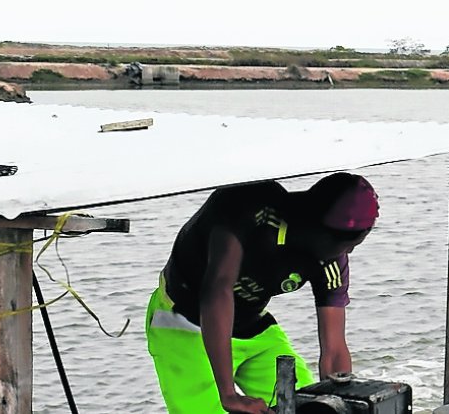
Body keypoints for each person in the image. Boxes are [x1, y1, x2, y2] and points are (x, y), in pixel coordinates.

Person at [145, 172, 379, 413]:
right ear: (319, 227)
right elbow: (218, 289)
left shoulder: (331, 260)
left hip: (252, 325)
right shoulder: (251, 208)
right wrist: (228, 394)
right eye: (349, 245)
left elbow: (334, 349)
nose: (348, 253)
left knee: (310, 405)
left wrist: (341, 401)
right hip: (185, 322)